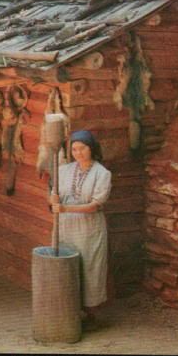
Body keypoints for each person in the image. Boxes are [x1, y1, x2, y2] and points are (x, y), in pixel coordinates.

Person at [49, 130, 112, 330]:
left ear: (91, 148)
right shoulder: (64, 170)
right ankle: (68, 311)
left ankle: (91, 316)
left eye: (82, 148)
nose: (78, 153)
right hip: (65, 227)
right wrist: (53, 201)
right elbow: (53, 195)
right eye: (74, 149)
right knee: (65, 267)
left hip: (89, 229)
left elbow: (95, 205)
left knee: (89, 268)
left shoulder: (102, 174)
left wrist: (66, 208)